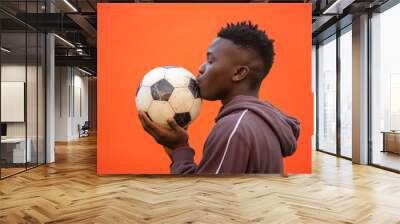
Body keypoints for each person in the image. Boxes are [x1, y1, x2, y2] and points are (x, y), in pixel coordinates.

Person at [138, 21, 300, 174]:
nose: (201, 68)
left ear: (239, 73)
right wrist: (177, 148)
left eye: (210, 60)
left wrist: (179, 148)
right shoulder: (260, 121)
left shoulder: (234, 129)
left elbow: (203, 200)